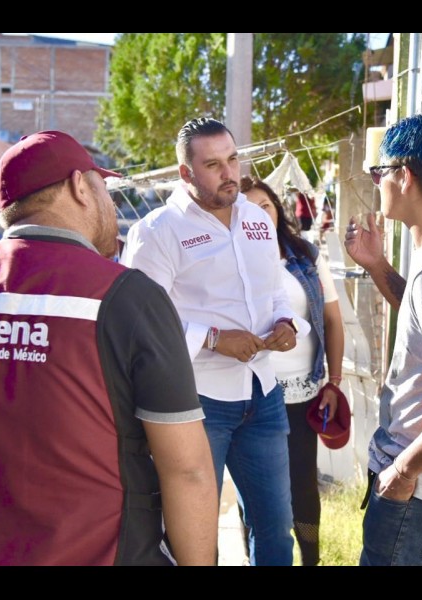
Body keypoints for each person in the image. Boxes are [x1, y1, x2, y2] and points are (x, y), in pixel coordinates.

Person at [0, 130, 219, 566]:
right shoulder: (127, 297)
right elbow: (188, 471)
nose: (111, 204)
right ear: (80, 186)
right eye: (103, 188)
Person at [121, 117, 309, 566]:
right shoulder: (157, 231)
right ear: (185, 172)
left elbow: (274, 290)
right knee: (194, 539)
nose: (229, 173)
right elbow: (137, 319)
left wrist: (286, 322)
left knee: (275, 531)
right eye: (213, 165)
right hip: (195, 402)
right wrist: (211, 338)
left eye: (233, 159)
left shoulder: (257, 218)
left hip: (263, 394)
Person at [344, 113, 422, 566]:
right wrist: (376, 265)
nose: (377, 184)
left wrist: (404, 471)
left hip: (416, 488)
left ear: (404, 175)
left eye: (379, 172)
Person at [240, 176, 345, 566]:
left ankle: (311, 558)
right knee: (257, 494)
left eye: (264, 205)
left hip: (302, 394)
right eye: (247, 208)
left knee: (303, 489)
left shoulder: (306, 256)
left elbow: (332, 320)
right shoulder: (230, 261)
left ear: (276, 209)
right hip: (252, 394)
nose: (257, 214)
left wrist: (333, 382)